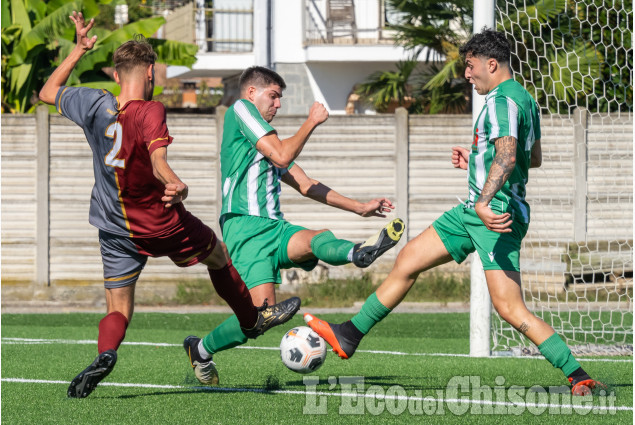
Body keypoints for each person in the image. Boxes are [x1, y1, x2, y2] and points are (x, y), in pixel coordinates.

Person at [303, 29, 604, 397]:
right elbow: (532, 158)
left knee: (510, 308)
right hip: (475, 211)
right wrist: (477, 162)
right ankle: (349, 334)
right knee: (409, 258)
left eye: (470, 65)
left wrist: (483, 198)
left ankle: (578, 375)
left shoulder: (500, 102)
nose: (466, 74)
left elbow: (509, 156)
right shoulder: (525, 100)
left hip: (493, 213)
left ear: (491, 64)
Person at [38, 12, 300, 398]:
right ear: (150, 73)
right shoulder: (150, 110)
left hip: (113, 228)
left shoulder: (92, 103)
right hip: (162, 223)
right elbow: (157, 156)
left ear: (115, 76)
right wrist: (172, 182)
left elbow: (47, 92)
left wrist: (77, 51)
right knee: (218, 256)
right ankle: (252, 319)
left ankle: (107, 353)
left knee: (119, 306)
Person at [182, 66, 405, 383]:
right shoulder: (240, 109)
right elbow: (284, 156)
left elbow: (306, 184)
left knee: (315, 238)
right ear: (251, 93)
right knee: (257, 321)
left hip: (275, 228)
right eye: (273, 96)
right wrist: (311, 121)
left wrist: (360, 207)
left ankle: (359, 252)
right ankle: (201, 349)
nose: (278, 104)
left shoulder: (266, 144)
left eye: (280, 98)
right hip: (245, 230)